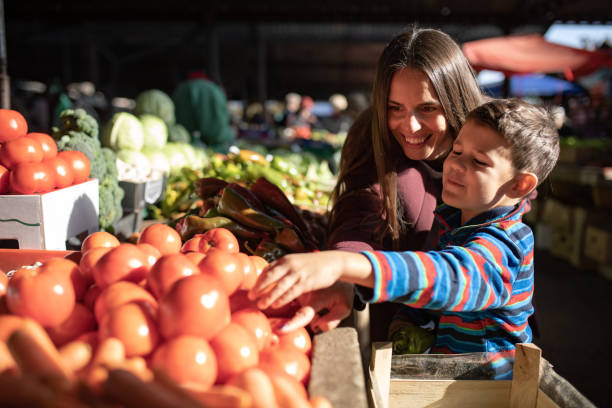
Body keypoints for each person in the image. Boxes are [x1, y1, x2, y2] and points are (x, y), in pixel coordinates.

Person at [249, 98, 561, 379]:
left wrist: (344, 263)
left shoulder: (507, 244)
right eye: (457, 152)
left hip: (488, 392)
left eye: (478, 162)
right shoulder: (455, 224)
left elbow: (451, 278)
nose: (455, 166)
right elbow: (431, 299)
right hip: (448, 381)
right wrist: (409, 320)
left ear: (519, 185)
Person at [315, 27, 487, 343]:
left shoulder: (493, 136)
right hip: (402, 339)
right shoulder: (371, 136)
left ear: (455, 100)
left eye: (428, 108)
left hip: (483, 340)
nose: (409, 126)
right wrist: (343, 274)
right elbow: (359, 213)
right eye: (395, 108)